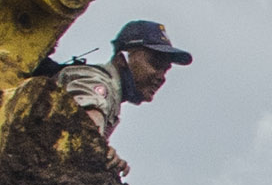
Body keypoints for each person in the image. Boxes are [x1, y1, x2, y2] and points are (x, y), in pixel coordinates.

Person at [55, 18, 191, 142]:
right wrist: (98, 147)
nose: (161, 77)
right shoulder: (98, 81)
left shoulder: (113, 96)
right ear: (122, 59)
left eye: (165, 70)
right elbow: (87, 118)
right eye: (155, 64)